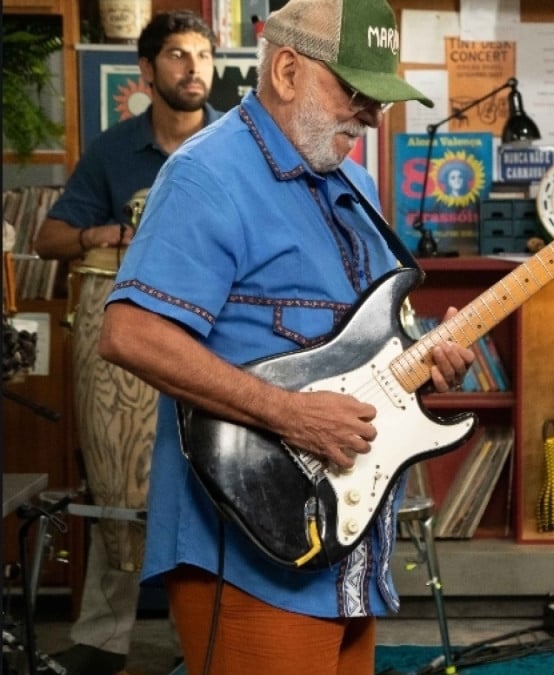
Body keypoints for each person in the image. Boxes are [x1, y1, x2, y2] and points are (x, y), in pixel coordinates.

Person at [94, 0, 474, 671]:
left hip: (343, 544)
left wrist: (426, 360)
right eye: (354, 91)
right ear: (288, 71)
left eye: (379, 97)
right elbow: (131, 334)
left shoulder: (356, 184)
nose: (370, 114)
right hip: (244, 548)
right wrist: (291, 415)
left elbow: (361, 348)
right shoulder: (205, 174)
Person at [32, 11, 218, 675]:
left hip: (212, 331)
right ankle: (103, 636)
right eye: (176, 54)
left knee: (204, 481)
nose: (193, 67)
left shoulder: (230, 147)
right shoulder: (113, 151)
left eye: (202, 54)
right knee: (118, 482)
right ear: (147, 70)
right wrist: (99, 234)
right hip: (124, 331)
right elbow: (48, 238)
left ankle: (194, 639)